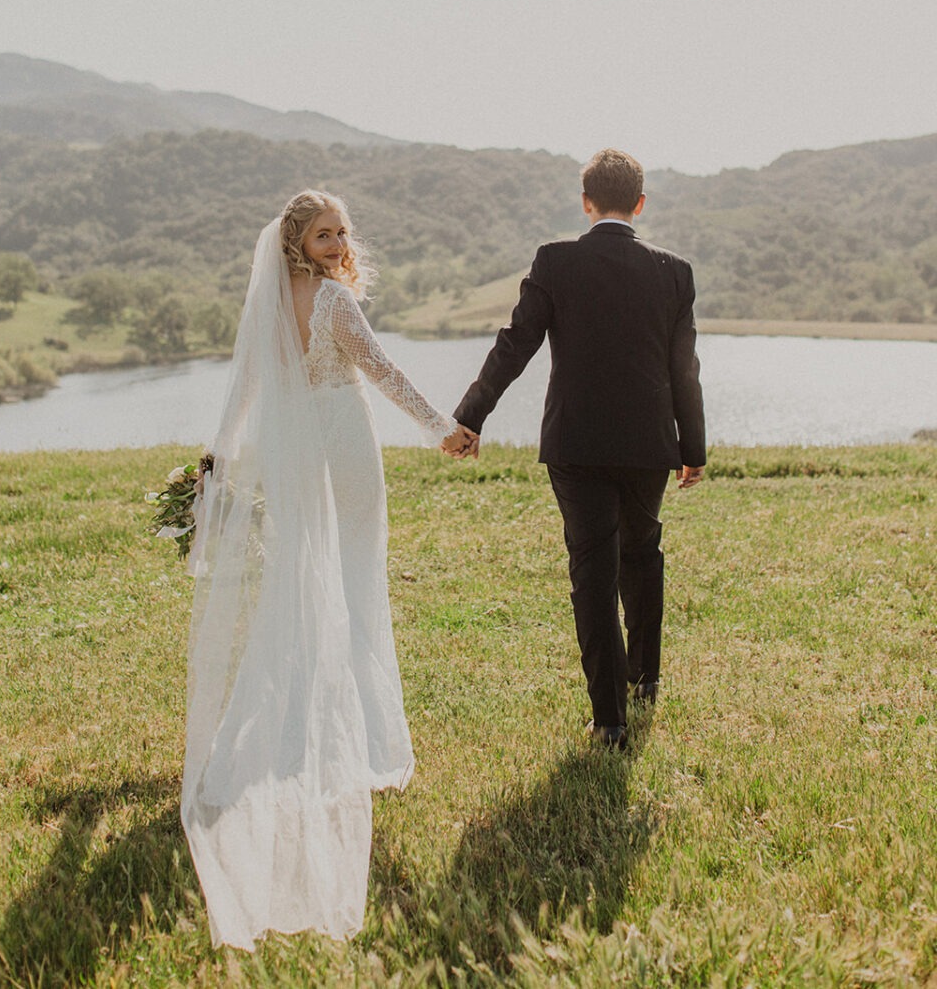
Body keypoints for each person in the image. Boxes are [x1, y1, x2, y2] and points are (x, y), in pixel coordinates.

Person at [181, 191, 474, 949]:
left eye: (343, 229)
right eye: (324, 232)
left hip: (293, 454)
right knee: (351, 584)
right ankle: (357, 738)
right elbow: (380, 368)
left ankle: (292, 730)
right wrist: (442, 428)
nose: (339, 240)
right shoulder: (337, 300)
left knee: (301, 585)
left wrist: (217, 450)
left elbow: (246, 385)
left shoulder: (271, 302)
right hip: (343, 446)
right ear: (297, 239)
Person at [453, 148, 705, 750]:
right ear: (640, 204)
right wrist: (692, 447)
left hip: (576, 443)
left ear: (585, 202)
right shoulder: (675, 271)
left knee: (592, 569)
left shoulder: (555, 261)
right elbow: (684, 368)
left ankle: (611, 720)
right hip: (650, 445)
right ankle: (645, 681)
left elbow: (515, 345)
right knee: (643, 555)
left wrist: (471, 417)